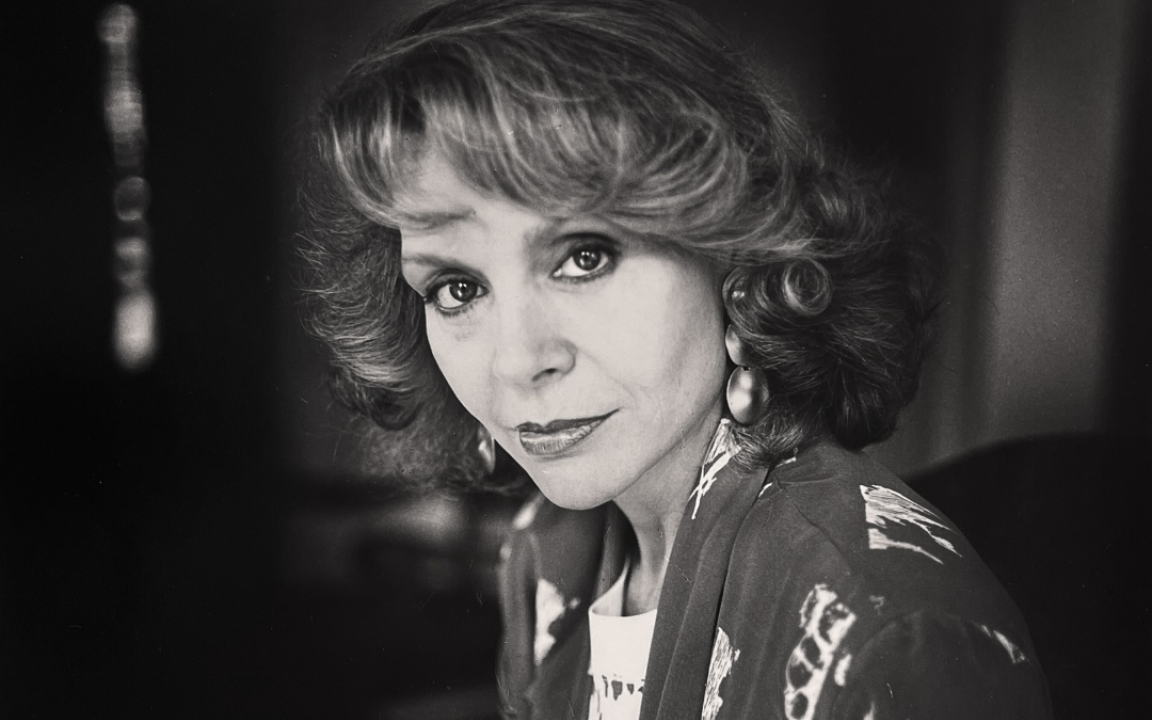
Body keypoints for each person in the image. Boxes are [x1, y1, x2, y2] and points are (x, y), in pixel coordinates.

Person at [302, 0, 1053, 718]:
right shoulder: (547, 553)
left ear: (735, 256)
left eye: (585, 256)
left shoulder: (888, 637)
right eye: (458, 287)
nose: (517, 360)